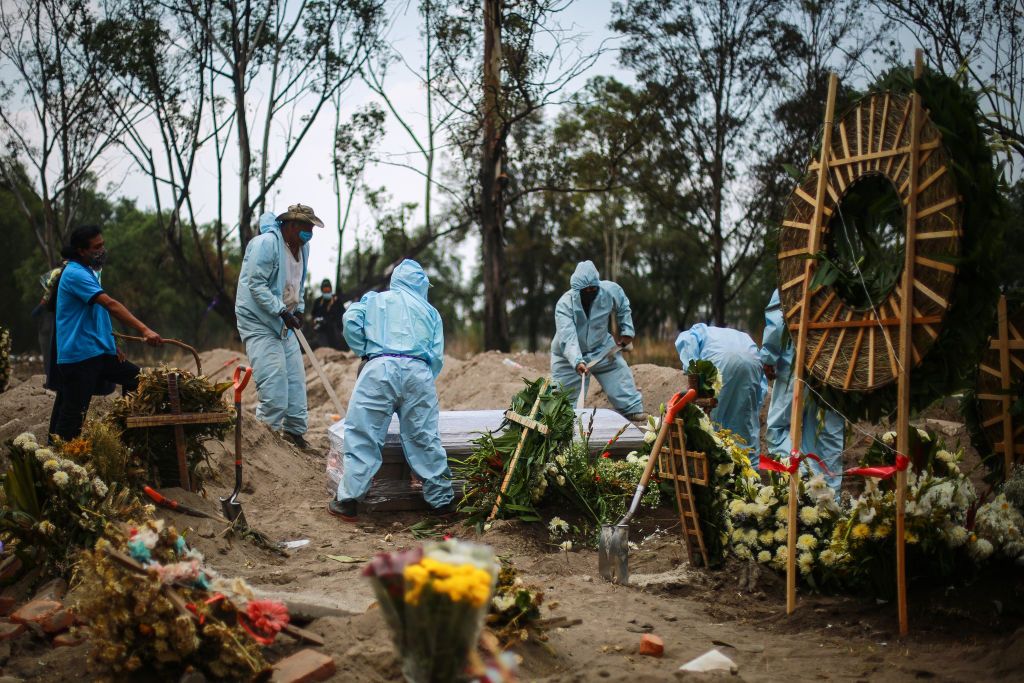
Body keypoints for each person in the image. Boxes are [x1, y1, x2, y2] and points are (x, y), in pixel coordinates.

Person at [329, 259, 453, 521]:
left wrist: (364, 350)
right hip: (418, 370)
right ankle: (441, 502)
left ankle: (349, 501)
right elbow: (437, 355)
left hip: (379, 368)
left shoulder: (375, 300)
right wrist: (422, 376)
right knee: (424, 436)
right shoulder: (430, 311)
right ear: (421, 285)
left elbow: (350, 318)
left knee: (363, 433)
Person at [51, 225, 163, 441]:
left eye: (102, 244)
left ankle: (127, 436)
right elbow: (110, 305)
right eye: (97, 247)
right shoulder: (74, 273)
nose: (102, 249)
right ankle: (57, 463)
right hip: (80, 357)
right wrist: (145, 330)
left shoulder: (89, 272)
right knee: (72, 418)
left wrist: (112, 345)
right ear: (81, 251)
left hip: (98, 353)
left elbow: (97, 315)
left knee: (138, 380)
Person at [235, 204, 323, 450]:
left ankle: (294, 433)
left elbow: (298, 284)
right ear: (291, 225)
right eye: (306, 228)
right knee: (274, 384)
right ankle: (265, 441)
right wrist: (281, 310)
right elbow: (256, 285)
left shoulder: (303, 249)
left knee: (295, 381)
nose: (310, 233)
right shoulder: (266, 245)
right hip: (260, 322)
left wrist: (300, 308)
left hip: (284, 322)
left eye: (312, 228)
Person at [760, 289, 845, 490]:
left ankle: (804, 482)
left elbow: (779, 317)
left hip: (797, 364)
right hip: (836, 368)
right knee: (827, 436)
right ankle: (830, 502)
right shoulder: (842, 287)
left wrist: (768, 358)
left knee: (779, 429)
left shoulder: (796, 276)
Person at [550, 260, 645, 420]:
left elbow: (623, 306)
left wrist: (627, 331)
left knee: (619, 373)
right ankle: (563, 420)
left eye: (593, 289)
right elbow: (567, 336)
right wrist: (577, 361)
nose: (590, 292)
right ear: (576, 289)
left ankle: (632, 410)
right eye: (585, 290)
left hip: (601, 349)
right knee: (562, 405)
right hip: (568, 358)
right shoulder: (565, 304)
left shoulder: (609, 290)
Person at [675, 323, 767, 455]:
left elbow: (691, 363)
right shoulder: (730, 334)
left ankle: (715, 461)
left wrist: (695, 378)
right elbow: (760, 390)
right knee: (746, 420)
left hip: (720, 358)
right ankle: (748, 469)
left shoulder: (691, 334)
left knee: (713, 418)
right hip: (752, 358)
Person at [311, 278, 342, 350]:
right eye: (325, 291)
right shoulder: (318, 302)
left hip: (335, 331)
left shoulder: (337, 301)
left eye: (328, 290)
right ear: (322, 291)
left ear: (331, 289)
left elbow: (342, 315)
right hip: (321, 331)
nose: (327, 292)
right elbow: (313, 316)